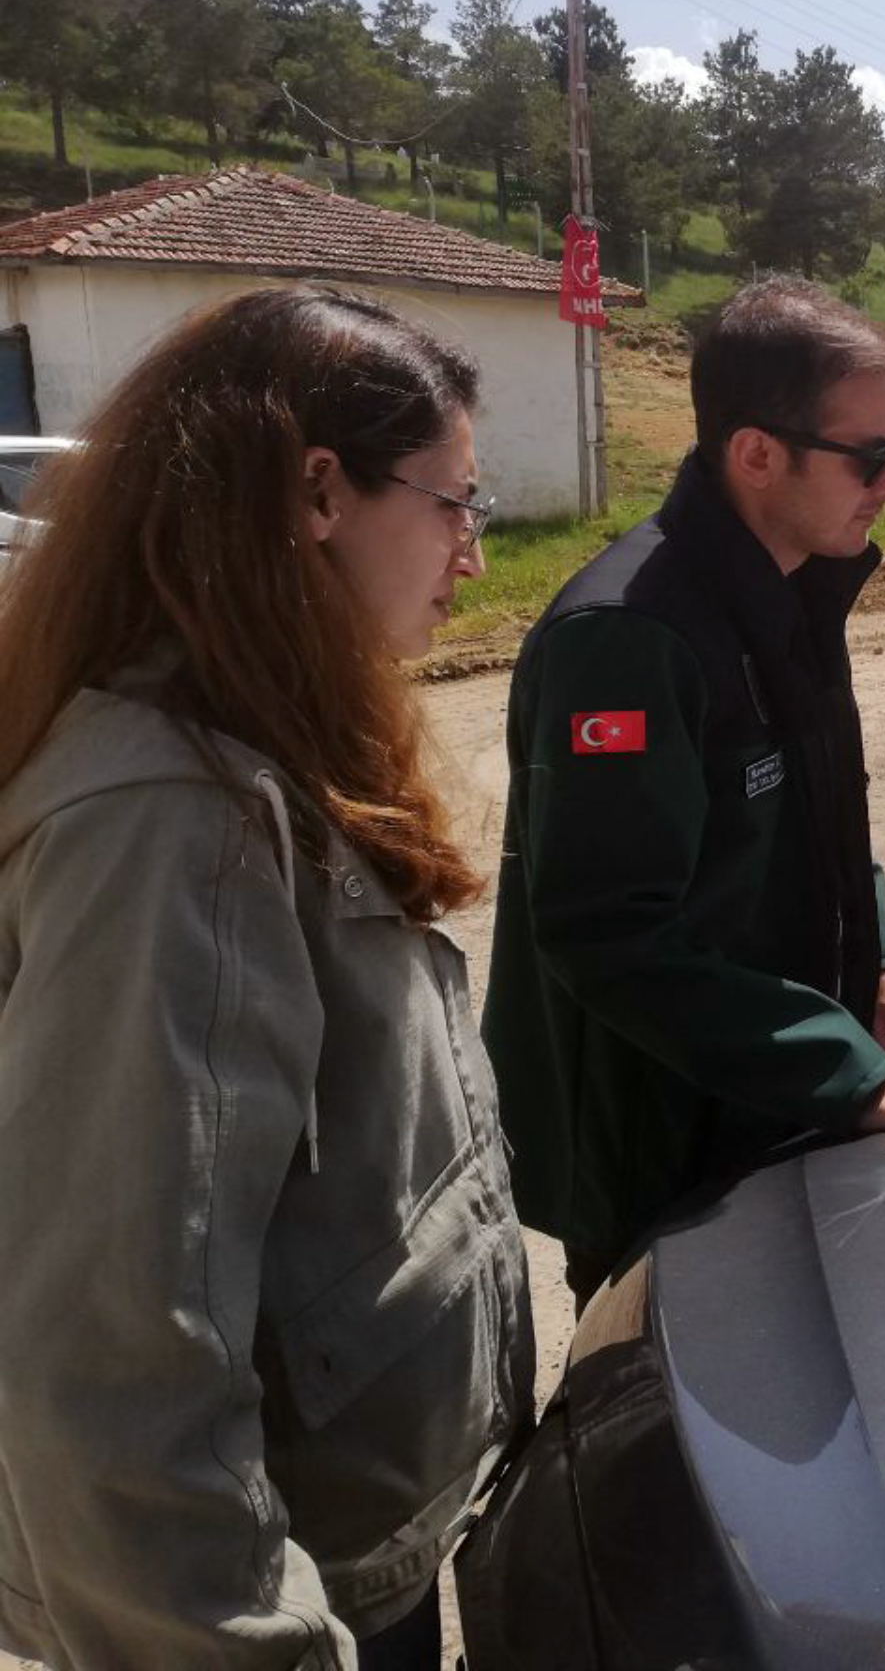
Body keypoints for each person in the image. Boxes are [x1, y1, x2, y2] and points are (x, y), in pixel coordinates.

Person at [0, 284, 535, 1669]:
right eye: (455, 503)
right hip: (289, 1604)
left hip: (352, 1550)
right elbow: (116, 1384)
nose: (471, 557)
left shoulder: (270, 749)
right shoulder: (172, 822)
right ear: (317, 494)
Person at [482, 278, 885, 1305]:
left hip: (778, 1104)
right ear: (756, 454)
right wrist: (856, 1076)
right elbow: (606, 932)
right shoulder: (628, 638)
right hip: (668, 1138)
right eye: (871, 456)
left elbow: (825, 814)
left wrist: (881, 963)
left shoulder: (793, 585)